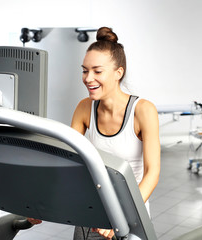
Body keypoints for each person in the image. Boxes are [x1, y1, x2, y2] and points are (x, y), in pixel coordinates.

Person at [70, 27, 161, 240]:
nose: (88, 78)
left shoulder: (143, 110)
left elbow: (152, 173)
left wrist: (123, 218)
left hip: (131, 218)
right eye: (85, 70)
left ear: (118, 73)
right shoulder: (84, 108)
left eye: (97, 71)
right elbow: (67, 161)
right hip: (92, 216)